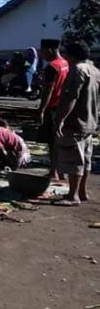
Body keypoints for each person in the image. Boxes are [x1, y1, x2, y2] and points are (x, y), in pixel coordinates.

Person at [52, 41, 99, 206]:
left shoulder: (78, 70)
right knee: (86, 160)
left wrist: (60, 119)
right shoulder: (95, 70)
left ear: (71, 55)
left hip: (76, 122)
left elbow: (72, 97)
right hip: (90, 121)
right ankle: (82, 191)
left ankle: (73, 196)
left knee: (74, 160)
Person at [37, 39, 70, 180]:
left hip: (53, 107)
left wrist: (41, 110)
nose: (42, 55)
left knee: (53, 141)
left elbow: (48, 90)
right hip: (65, 106)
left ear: (50, 50)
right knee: (62, 140)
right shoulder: (66, 64)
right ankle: (62, 171)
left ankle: (54, 172)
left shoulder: (52, 67)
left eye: (43, 51)